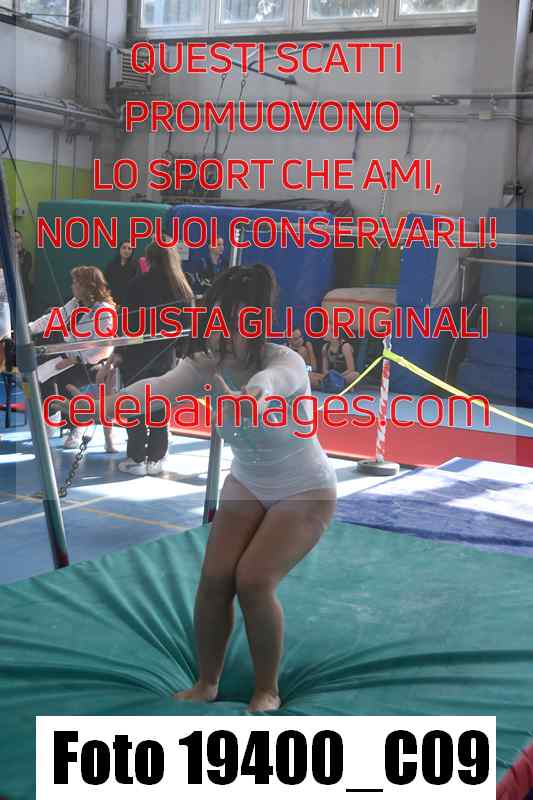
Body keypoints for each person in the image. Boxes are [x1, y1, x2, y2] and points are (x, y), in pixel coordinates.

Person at [96, 265, 337, 711]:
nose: (223, 334)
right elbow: (157, 388)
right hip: (248, 480)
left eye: (236, 324)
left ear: (257, 325)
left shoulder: (284, 361)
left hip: (305, 488)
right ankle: (207, 681)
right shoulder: (207, 363)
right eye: (218, 322)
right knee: (214, 579)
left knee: (254, 580)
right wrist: (103, 404)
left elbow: (272, 384)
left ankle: (267, 689)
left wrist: (253, 397)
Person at [107, 239, 194, 476]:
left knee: (135, 404)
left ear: (149, 259)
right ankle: (156, 458)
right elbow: (188, 327)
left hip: (137, 355)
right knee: (159, 406)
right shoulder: (182, 288)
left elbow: (126, 321)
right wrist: (180, 354)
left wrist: (119, 352)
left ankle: (136, 458)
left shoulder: (137, 284)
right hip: (166, 357)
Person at [29, 266, 115, 449]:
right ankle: (53, 417)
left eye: (76, 282)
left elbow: (104, 349)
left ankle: (79, 424)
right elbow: (53, 318)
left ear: (88, 286)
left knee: (65, 380)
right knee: (38, 376)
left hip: (92, 363)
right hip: (70, 357)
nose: (72, 286)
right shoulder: (76, 303)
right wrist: (27, 329)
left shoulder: (104, 311)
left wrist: (76, 360)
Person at [316, 325, 359, 390]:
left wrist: (336, 377)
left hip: (344, 375)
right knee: (310, 375)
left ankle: (331, 385)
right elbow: (324, 370)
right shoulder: (325, 347)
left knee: (355, 375)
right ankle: (337, 385)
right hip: (330, 376)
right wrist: (330, 377)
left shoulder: (345, 346)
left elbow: (351, 369)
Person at [104, 241, 140, 308]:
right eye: (124, 248)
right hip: (112, 302)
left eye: (129, 249)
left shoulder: (136, 265)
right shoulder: (111, 265)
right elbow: (105, 283)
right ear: (119, 249)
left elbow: (137, 286)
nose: (126, 251)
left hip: (129, 302)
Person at [15, 230, 33, 313]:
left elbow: (25, 272)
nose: (15, 240)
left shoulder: (27, 255)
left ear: (21, 239)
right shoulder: (5, 256)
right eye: (13, 238)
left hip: (23, 289)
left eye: (17, 237)